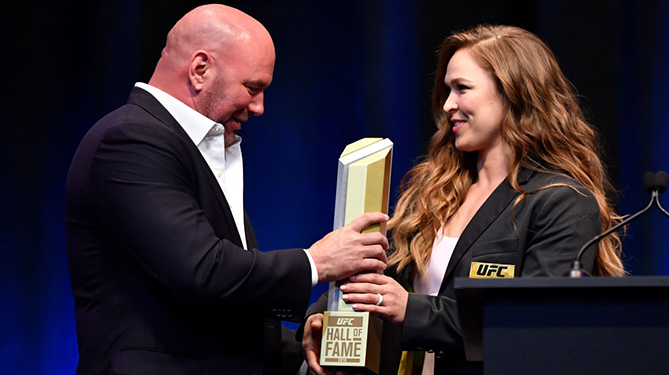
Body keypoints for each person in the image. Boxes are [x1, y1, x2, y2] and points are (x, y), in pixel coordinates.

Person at [65, 4, 390, 375]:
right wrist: (317, 262)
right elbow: (202, 271)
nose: (260, 107)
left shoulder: (196, 146)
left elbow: (222, 307)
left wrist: (300, 347)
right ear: (200, 69)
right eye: (252, 88)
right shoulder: (130, 140)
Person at [302, 25, 625, 375]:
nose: (447, 105)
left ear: (513, 93)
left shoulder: (561, 202)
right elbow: (382, 273)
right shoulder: (435, 191)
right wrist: (321, 314)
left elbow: (532, 326)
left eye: (462, 89)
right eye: (446, 90)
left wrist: (410, 311)